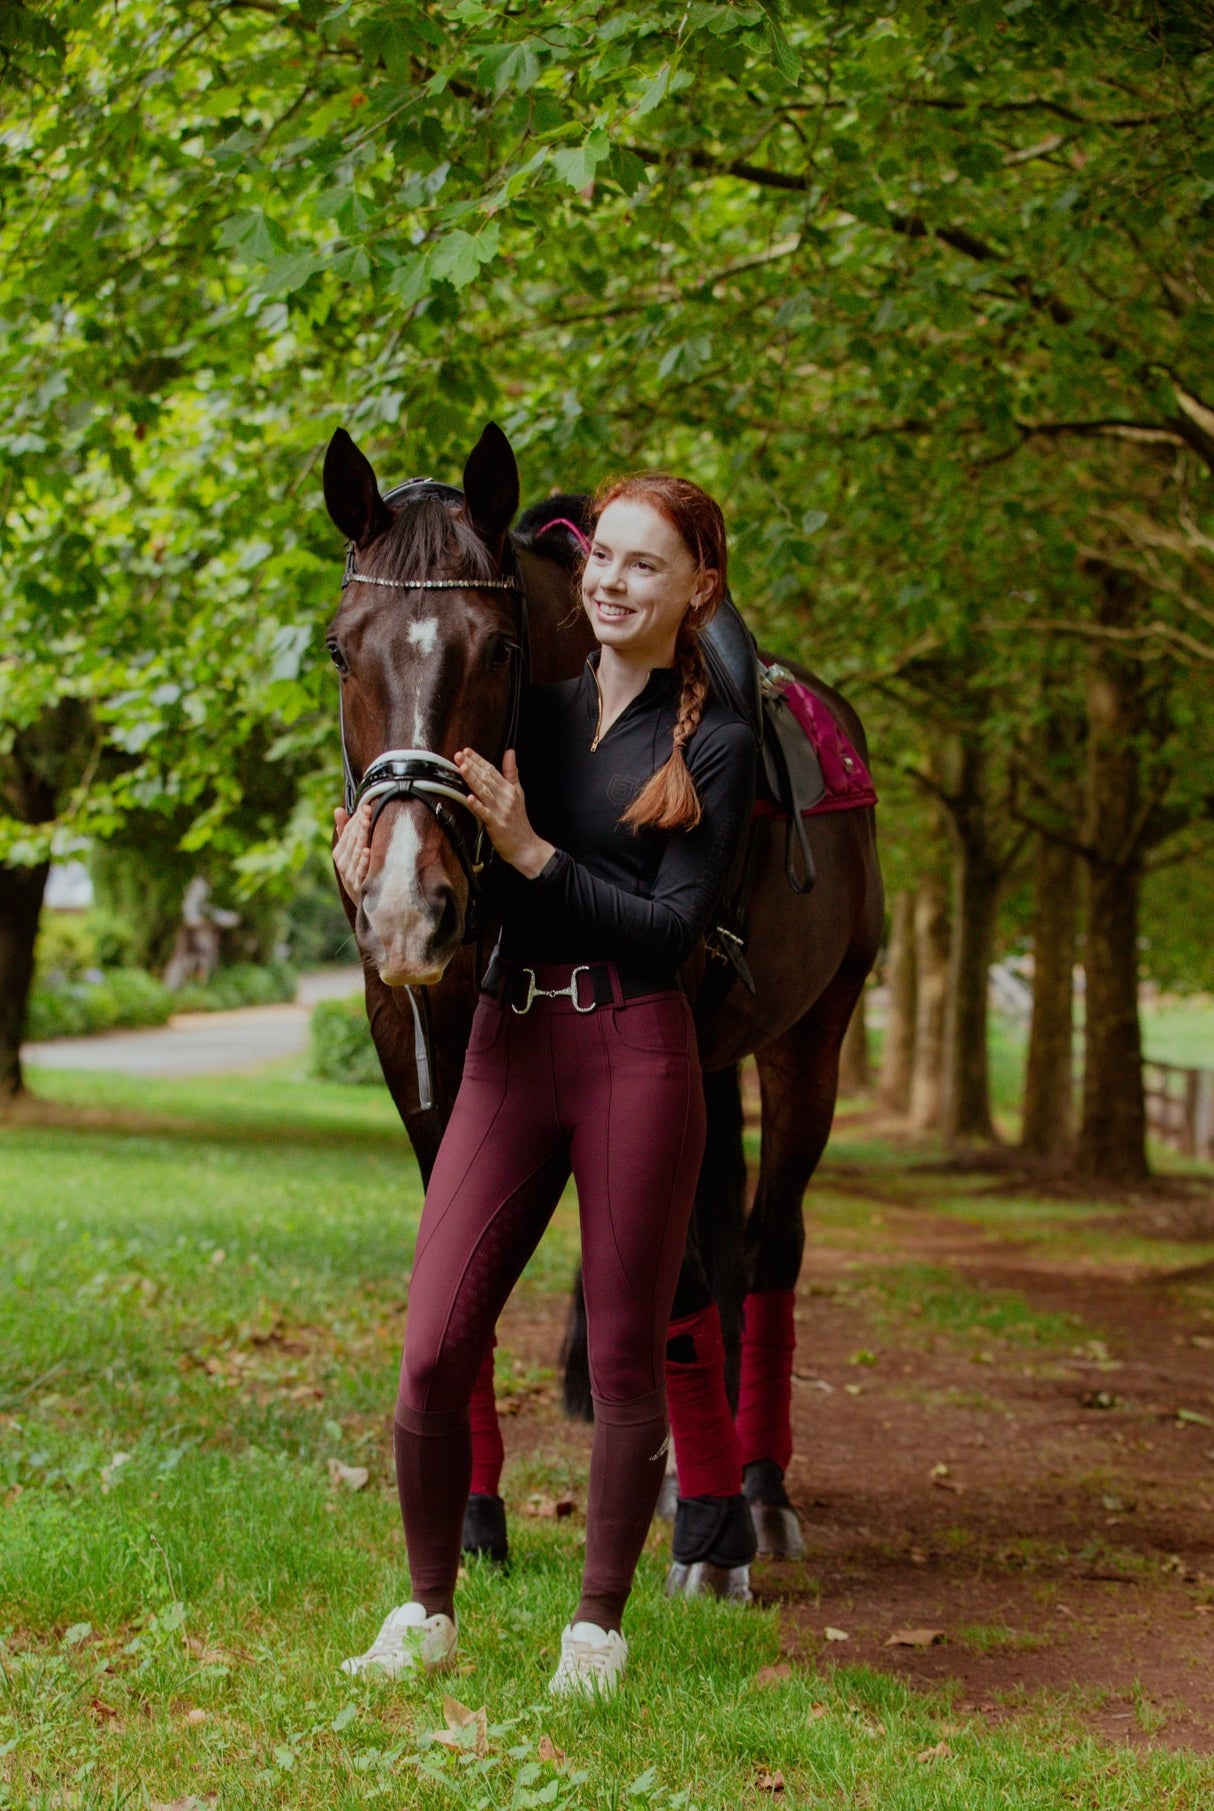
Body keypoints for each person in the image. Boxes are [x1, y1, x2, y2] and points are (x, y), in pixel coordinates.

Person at [334, 473, 756, 1697]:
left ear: (695, 591)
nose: (612, 582)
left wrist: (529, 848)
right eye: (602, 560)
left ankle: (596, 1629)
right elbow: (453, 883)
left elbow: (668, 930)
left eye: (643, 565)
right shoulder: (523, 706)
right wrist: (364, 867)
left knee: (622, 1359)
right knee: (429, 1351)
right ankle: (425, 1608)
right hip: (508, 1050)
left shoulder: (713, 743)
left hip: (633, 1049)